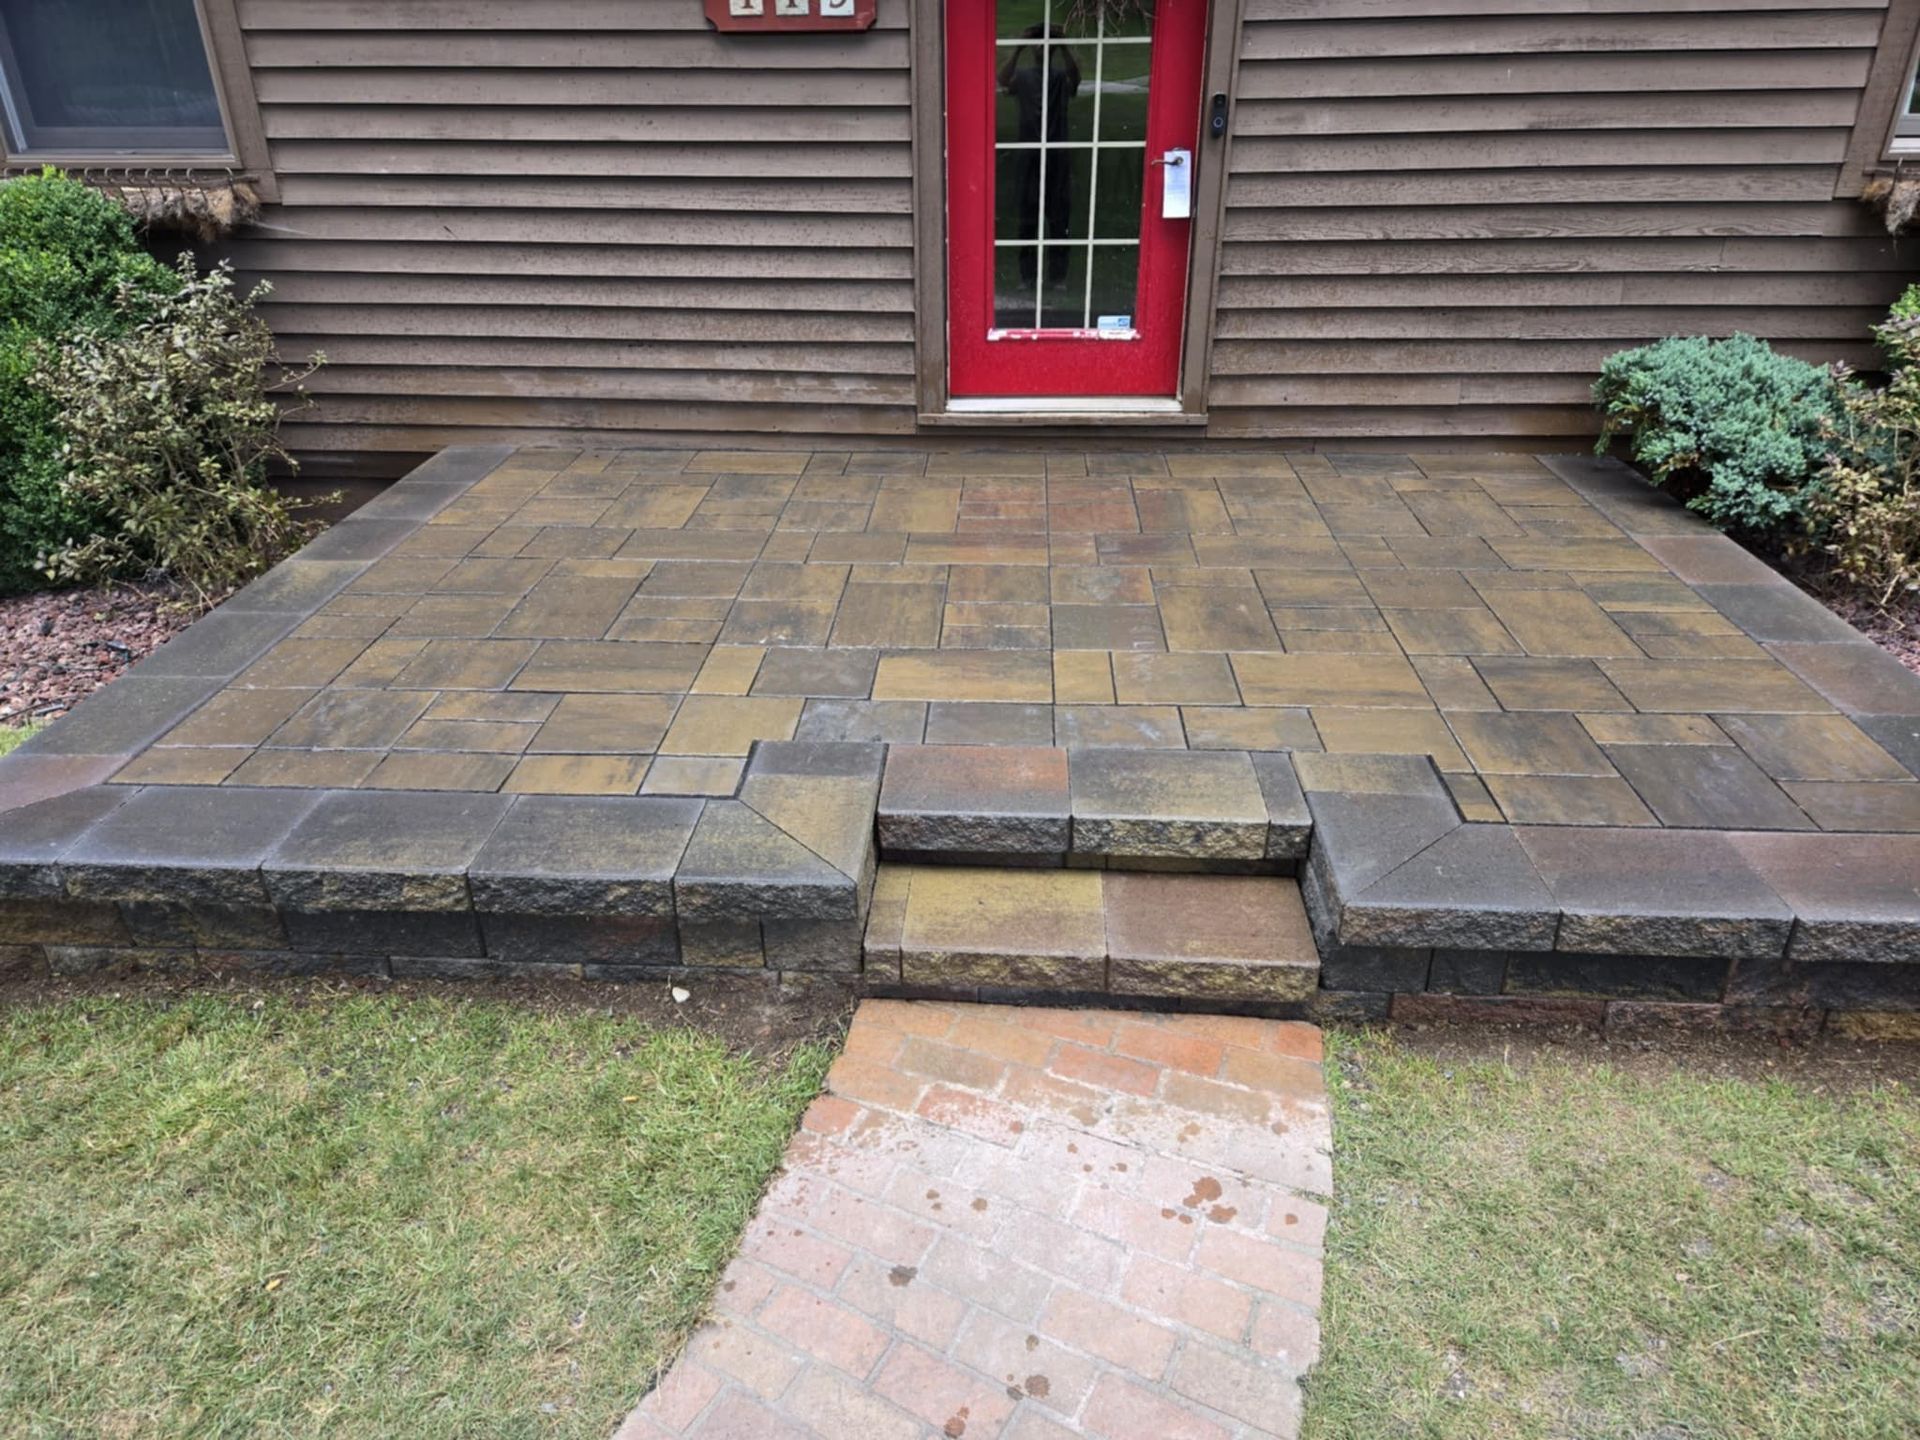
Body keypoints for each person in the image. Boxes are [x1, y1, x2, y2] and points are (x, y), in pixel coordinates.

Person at [998, 24, 1080, 288]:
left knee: (1058, 216)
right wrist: (1019, 47)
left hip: (1057, 153)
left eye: (1045, 44)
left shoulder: (1058, 78)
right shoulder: (1022, 77)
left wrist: (1064, 45)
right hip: (1029, 153)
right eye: (1037, 44)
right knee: (1028, 216)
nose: (1040, 48)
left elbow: (1075, 77)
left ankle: (1058, 277)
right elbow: (1002, 79)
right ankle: (1028, 276)